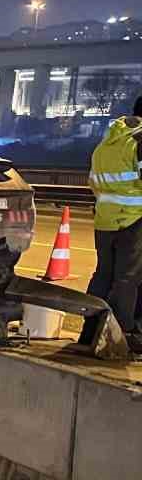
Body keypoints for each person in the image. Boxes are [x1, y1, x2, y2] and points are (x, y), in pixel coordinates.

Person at [86, 94, 142, 353]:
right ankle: (118, 338)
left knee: (103, 275)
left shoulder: (109, 141)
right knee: (127, 279)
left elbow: (93, 181)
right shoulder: (139, 141)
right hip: (133, 219)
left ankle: (89, 330)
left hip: (105, 219)